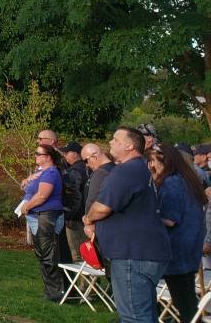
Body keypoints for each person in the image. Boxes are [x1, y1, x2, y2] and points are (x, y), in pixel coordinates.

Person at [83, 126, 169, 323]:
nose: (110, 142)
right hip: (144, 252)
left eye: (115, 139)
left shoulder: (126, 170)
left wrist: (89, 218)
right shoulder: (141, 168)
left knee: (134, 317)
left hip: (132, 255)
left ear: (130, 146)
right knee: (145, 314)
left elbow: (102, 208)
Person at [146, 143, 206, 322]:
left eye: (152, 161)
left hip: (177, 252)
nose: (150, 165)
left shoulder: (172, 182)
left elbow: (169, 219)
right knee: (187, 302)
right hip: (188, 250)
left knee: (185, 304)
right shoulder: (186, 180)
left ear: (164, 161)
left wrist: (145, 216)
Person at [20, 143, 65, 301]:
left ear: (48, 157)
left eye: (38, 154)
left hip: (46, 216)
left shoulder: (51, 173)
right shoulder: (41, 172)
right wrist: (28, 179)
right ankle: (49, 290)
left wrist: (27, 206)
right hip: (38, 216)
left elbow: (42, 196)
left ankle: (55, 292)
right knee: (42, 254)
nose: (35, 156)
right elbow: (28, 188)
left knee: (48, 255)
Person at [60, 142, 88, 261]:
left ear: (75, 154)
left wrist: (69, 216)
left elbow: (74, 196)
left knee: (79, 254)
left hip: (76, 220)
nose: (65, 156)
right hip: (88, 216)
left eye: (67, 153)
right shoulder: (88, 167)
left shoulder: (74, 171)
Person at [81, 143, 114, 213]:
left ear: (94, 157)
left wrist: (88, 217)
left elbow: (92, 200)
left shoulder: (100, 173)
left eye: (86, 161)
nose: (86, 165)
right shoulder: (116, 168)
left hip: (98, 217)